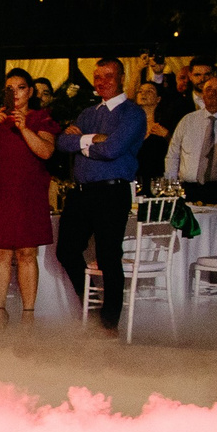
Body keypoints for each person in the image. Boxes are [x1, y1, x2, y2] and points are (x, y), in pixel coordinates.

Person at [55, 57, 149, 335]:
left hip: (112, 191)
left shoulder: (132, 114)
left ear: (120, 78)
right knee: (66, 250)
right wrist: (93, 138)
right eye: (98, 77)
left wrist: (82, 141)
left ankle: (109, 324)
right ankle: (93, 310)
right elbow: (62, 142)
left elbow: (112, 149)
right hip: (82, 193)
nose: (102, 82)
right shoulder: (87, 113)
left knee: (109, 257)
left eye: (108, 76)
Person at [0, 70, 57, 322]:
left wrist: (24, 127)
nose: (15, 93)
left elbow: (46, 152)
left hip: (29, 194)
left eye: (20, 88)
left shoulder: (41, 118)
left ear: (29, 91)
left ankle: (28, 314)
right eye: (9, 88)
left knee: (27, 254)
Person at [166, 76, 217, 200]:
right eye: (209, 89)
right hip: (188, 191)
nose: (213, 93)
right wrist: (170, 187)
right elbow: (173, 155)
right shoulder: (188, 120)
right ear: (203, 94)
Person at [131, 77, 173, 184]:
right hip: (133, 179)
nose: (143, 94)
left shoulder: (166, 123)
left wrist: (167, 135)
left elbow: (179, 150)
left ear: (158, 99)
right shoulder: (128, 124)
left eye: (149, 91)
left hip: (157, 180)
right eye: (140, 91)